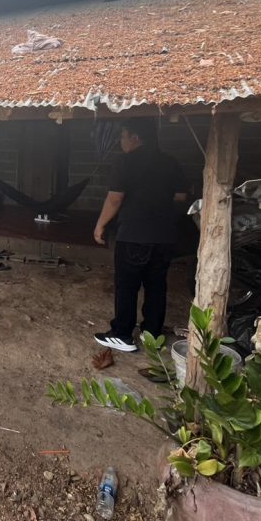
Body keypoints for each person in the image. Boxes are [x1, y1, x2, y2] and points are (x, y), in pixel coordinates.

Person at [93, 117, 187, 352]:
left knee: (127, 286)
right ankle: (152, 334)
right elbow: (180, 197)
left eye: (123, 136)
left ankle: (122, 334)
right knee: (156, 286)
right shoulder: (170, 162)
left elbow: (115, 199)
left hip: (133, 234)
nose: (121, 141)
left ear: (135, 137)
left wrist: (100, 225)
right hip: (164, 236)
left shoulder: (125, 162)